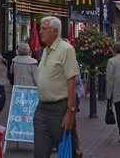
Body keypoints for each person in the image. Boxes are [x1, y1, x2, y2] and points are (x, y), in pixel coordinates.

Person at [33, 16, 81, 158]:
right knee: (40, 152)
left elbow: (72, 82)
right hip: (42, 107)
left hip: (59, 108)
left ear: (55, 32)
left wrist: (70, 111)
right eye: (40, 28)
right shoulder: (46, 50)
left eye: (44, 29)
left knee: (67, 150)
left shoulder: (66, 49)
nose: (40, 32)